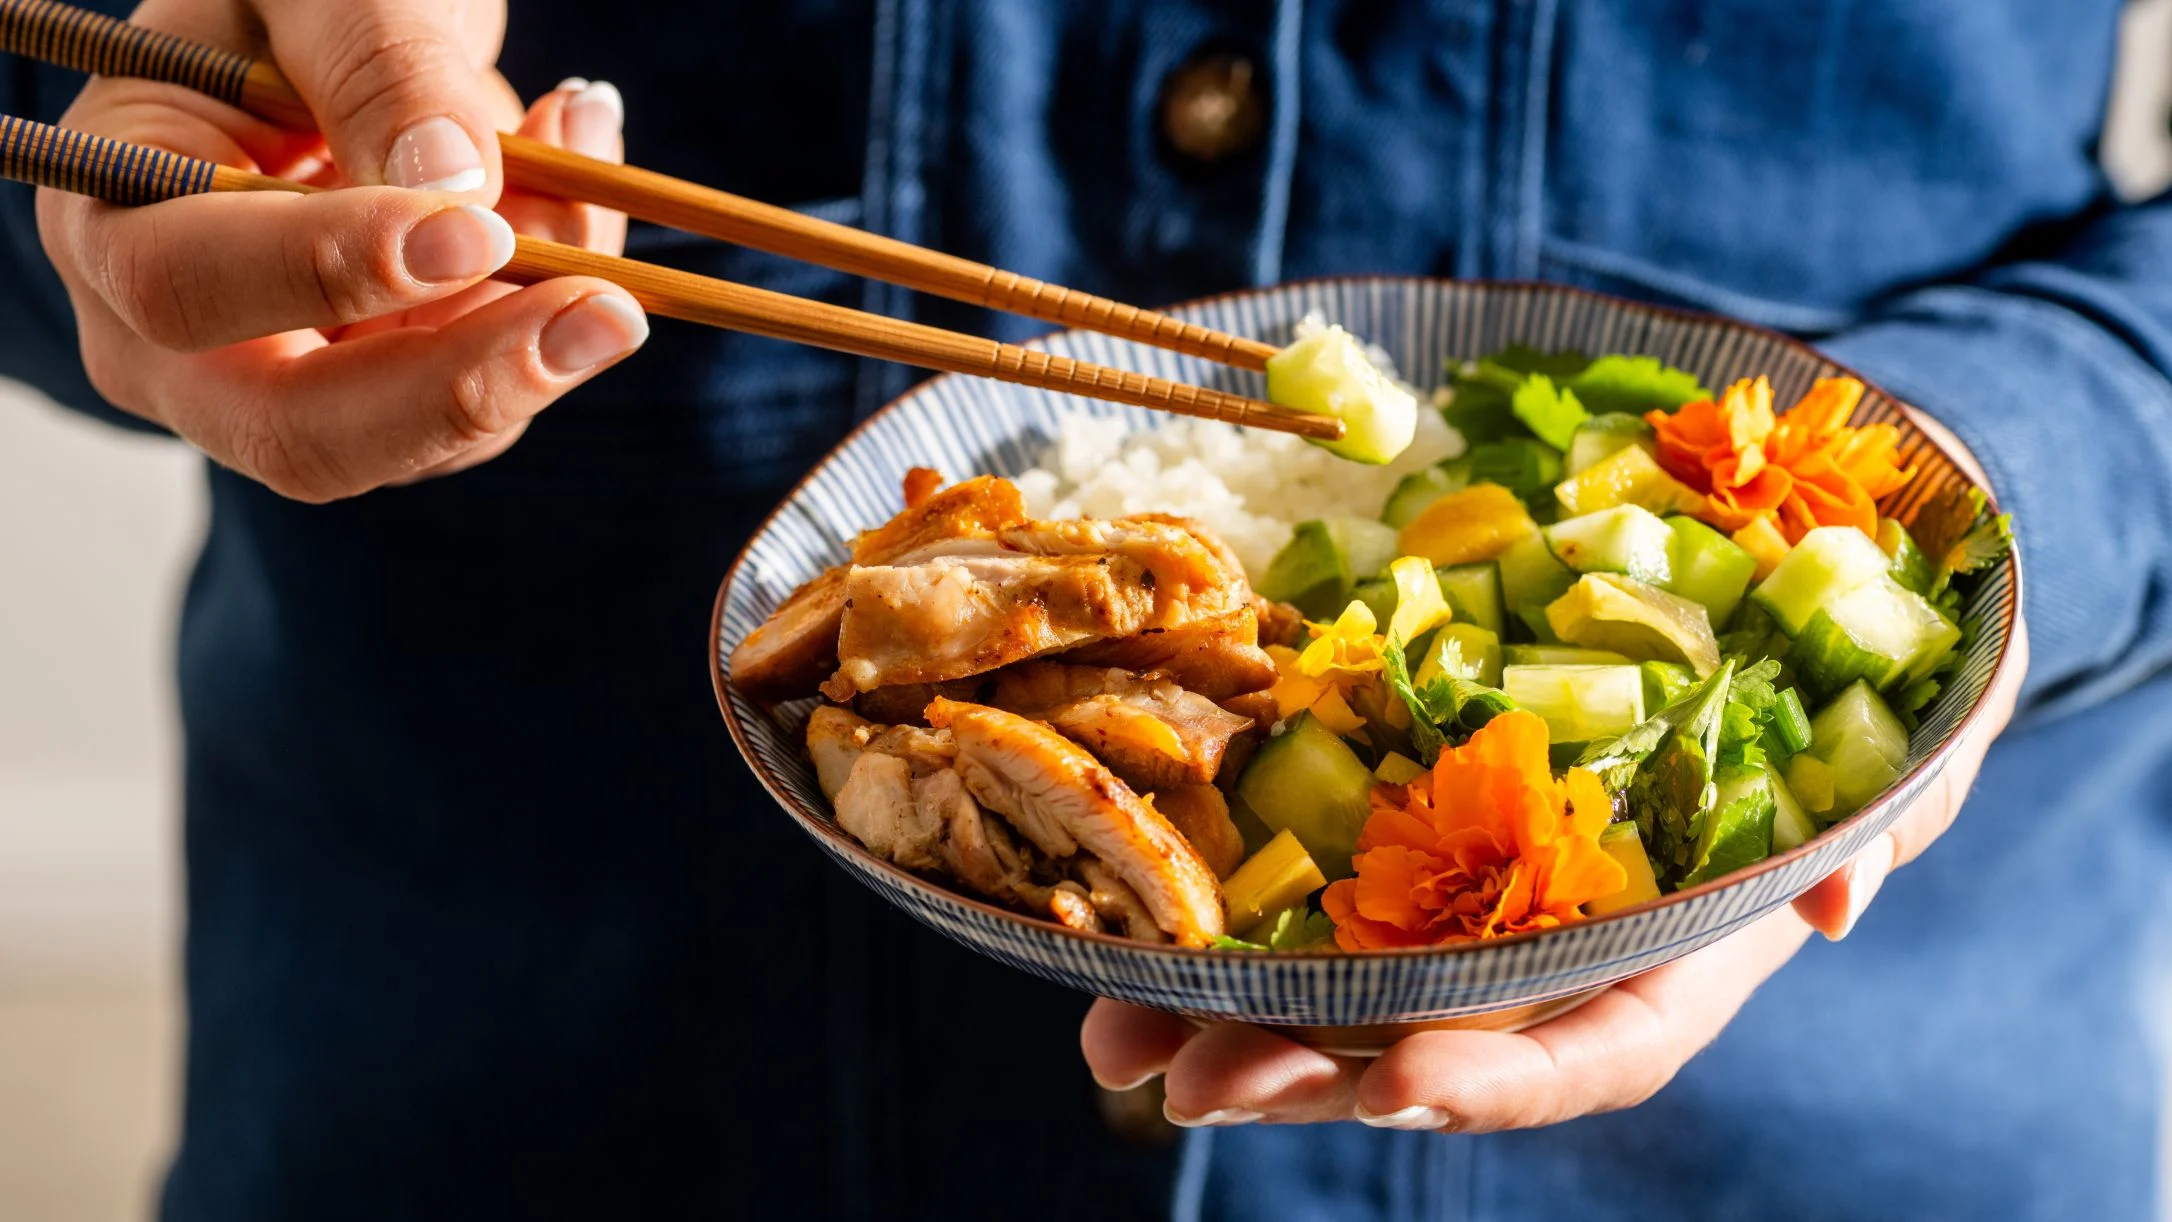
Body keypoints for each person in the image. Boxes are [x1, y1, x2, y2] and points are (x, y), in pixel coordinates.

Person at [0, 1, 2163, 1218]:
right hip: (533, 1075)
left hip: (1851, 1138)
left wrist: (1986, 489)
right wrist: (129, 203)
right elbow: (72, 120)